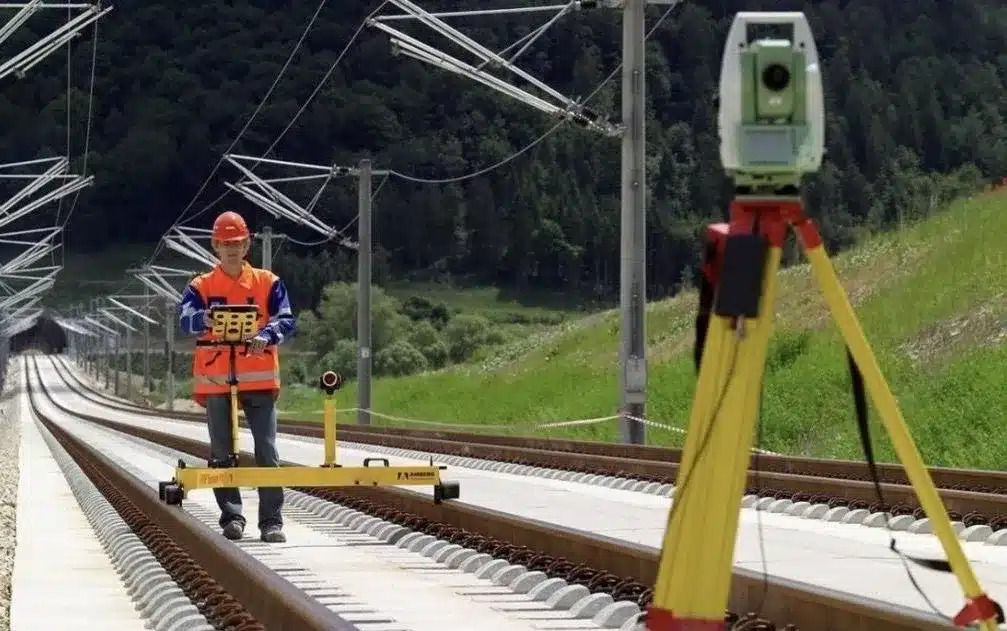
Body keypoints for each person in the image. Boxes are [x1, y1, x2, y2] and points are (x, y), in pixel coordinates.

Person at [177, 210, 296, 543]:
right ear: (216, 245)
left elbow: (286, 319)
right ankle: (232, 516)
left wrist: (268, 335)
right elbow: (185, 320)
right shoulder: (201, 286)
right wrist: (207, 319)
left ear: (247, 244)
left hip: (257, 378)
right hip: (216, 378)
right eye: (225, 243)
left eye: (237, 242)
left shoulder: (267, 282)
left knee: (267, 452)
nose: (231, 248)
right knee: (221, 451)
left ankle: (271, 521)